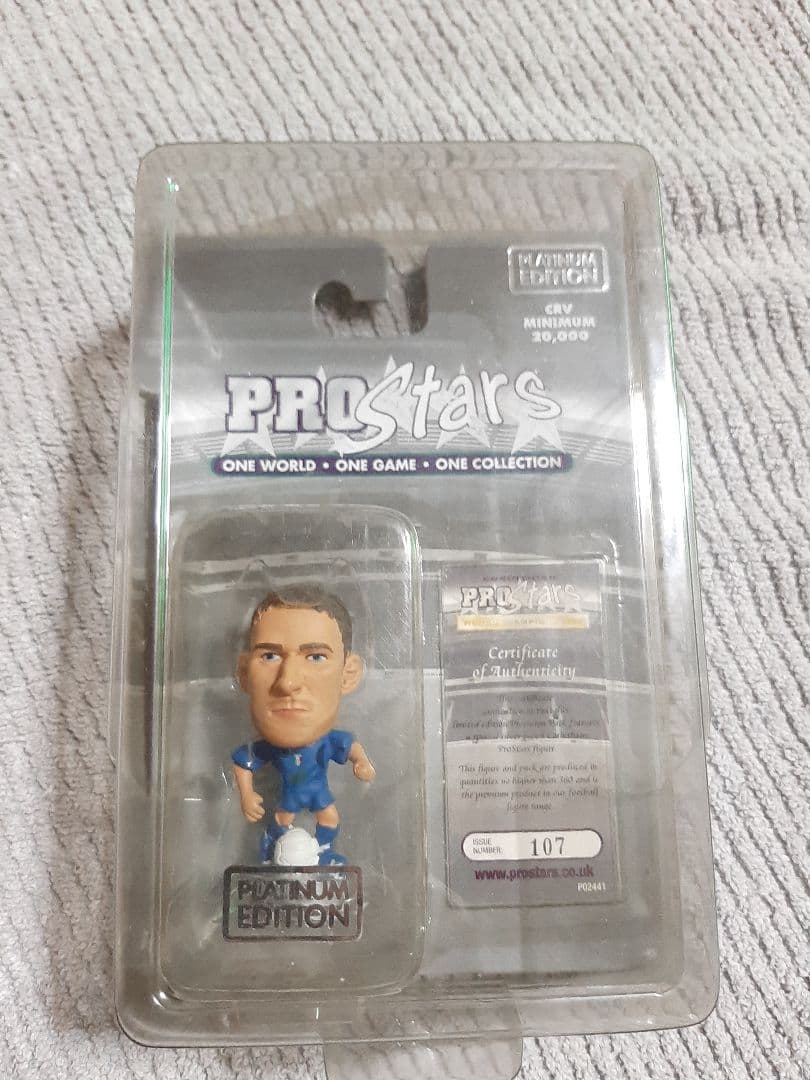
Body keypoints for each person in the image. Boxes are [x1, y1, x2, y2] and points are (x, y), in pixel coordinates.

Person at [231, 586, 375, 865]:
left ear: (348, 674)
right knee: (282, 820)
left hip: (317, 792)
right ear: (244, 673)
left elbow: (351, 748)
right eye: (269, 656)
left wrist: (362, 763)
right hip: (291, 795)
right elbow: (243, 762)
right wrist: (246, 795)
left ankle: (323, 852)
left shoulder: (327, 741)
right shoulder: (269, 748)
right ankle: (271, 851)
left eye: (316, 657)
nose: (288, 682)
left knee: (329, 819)